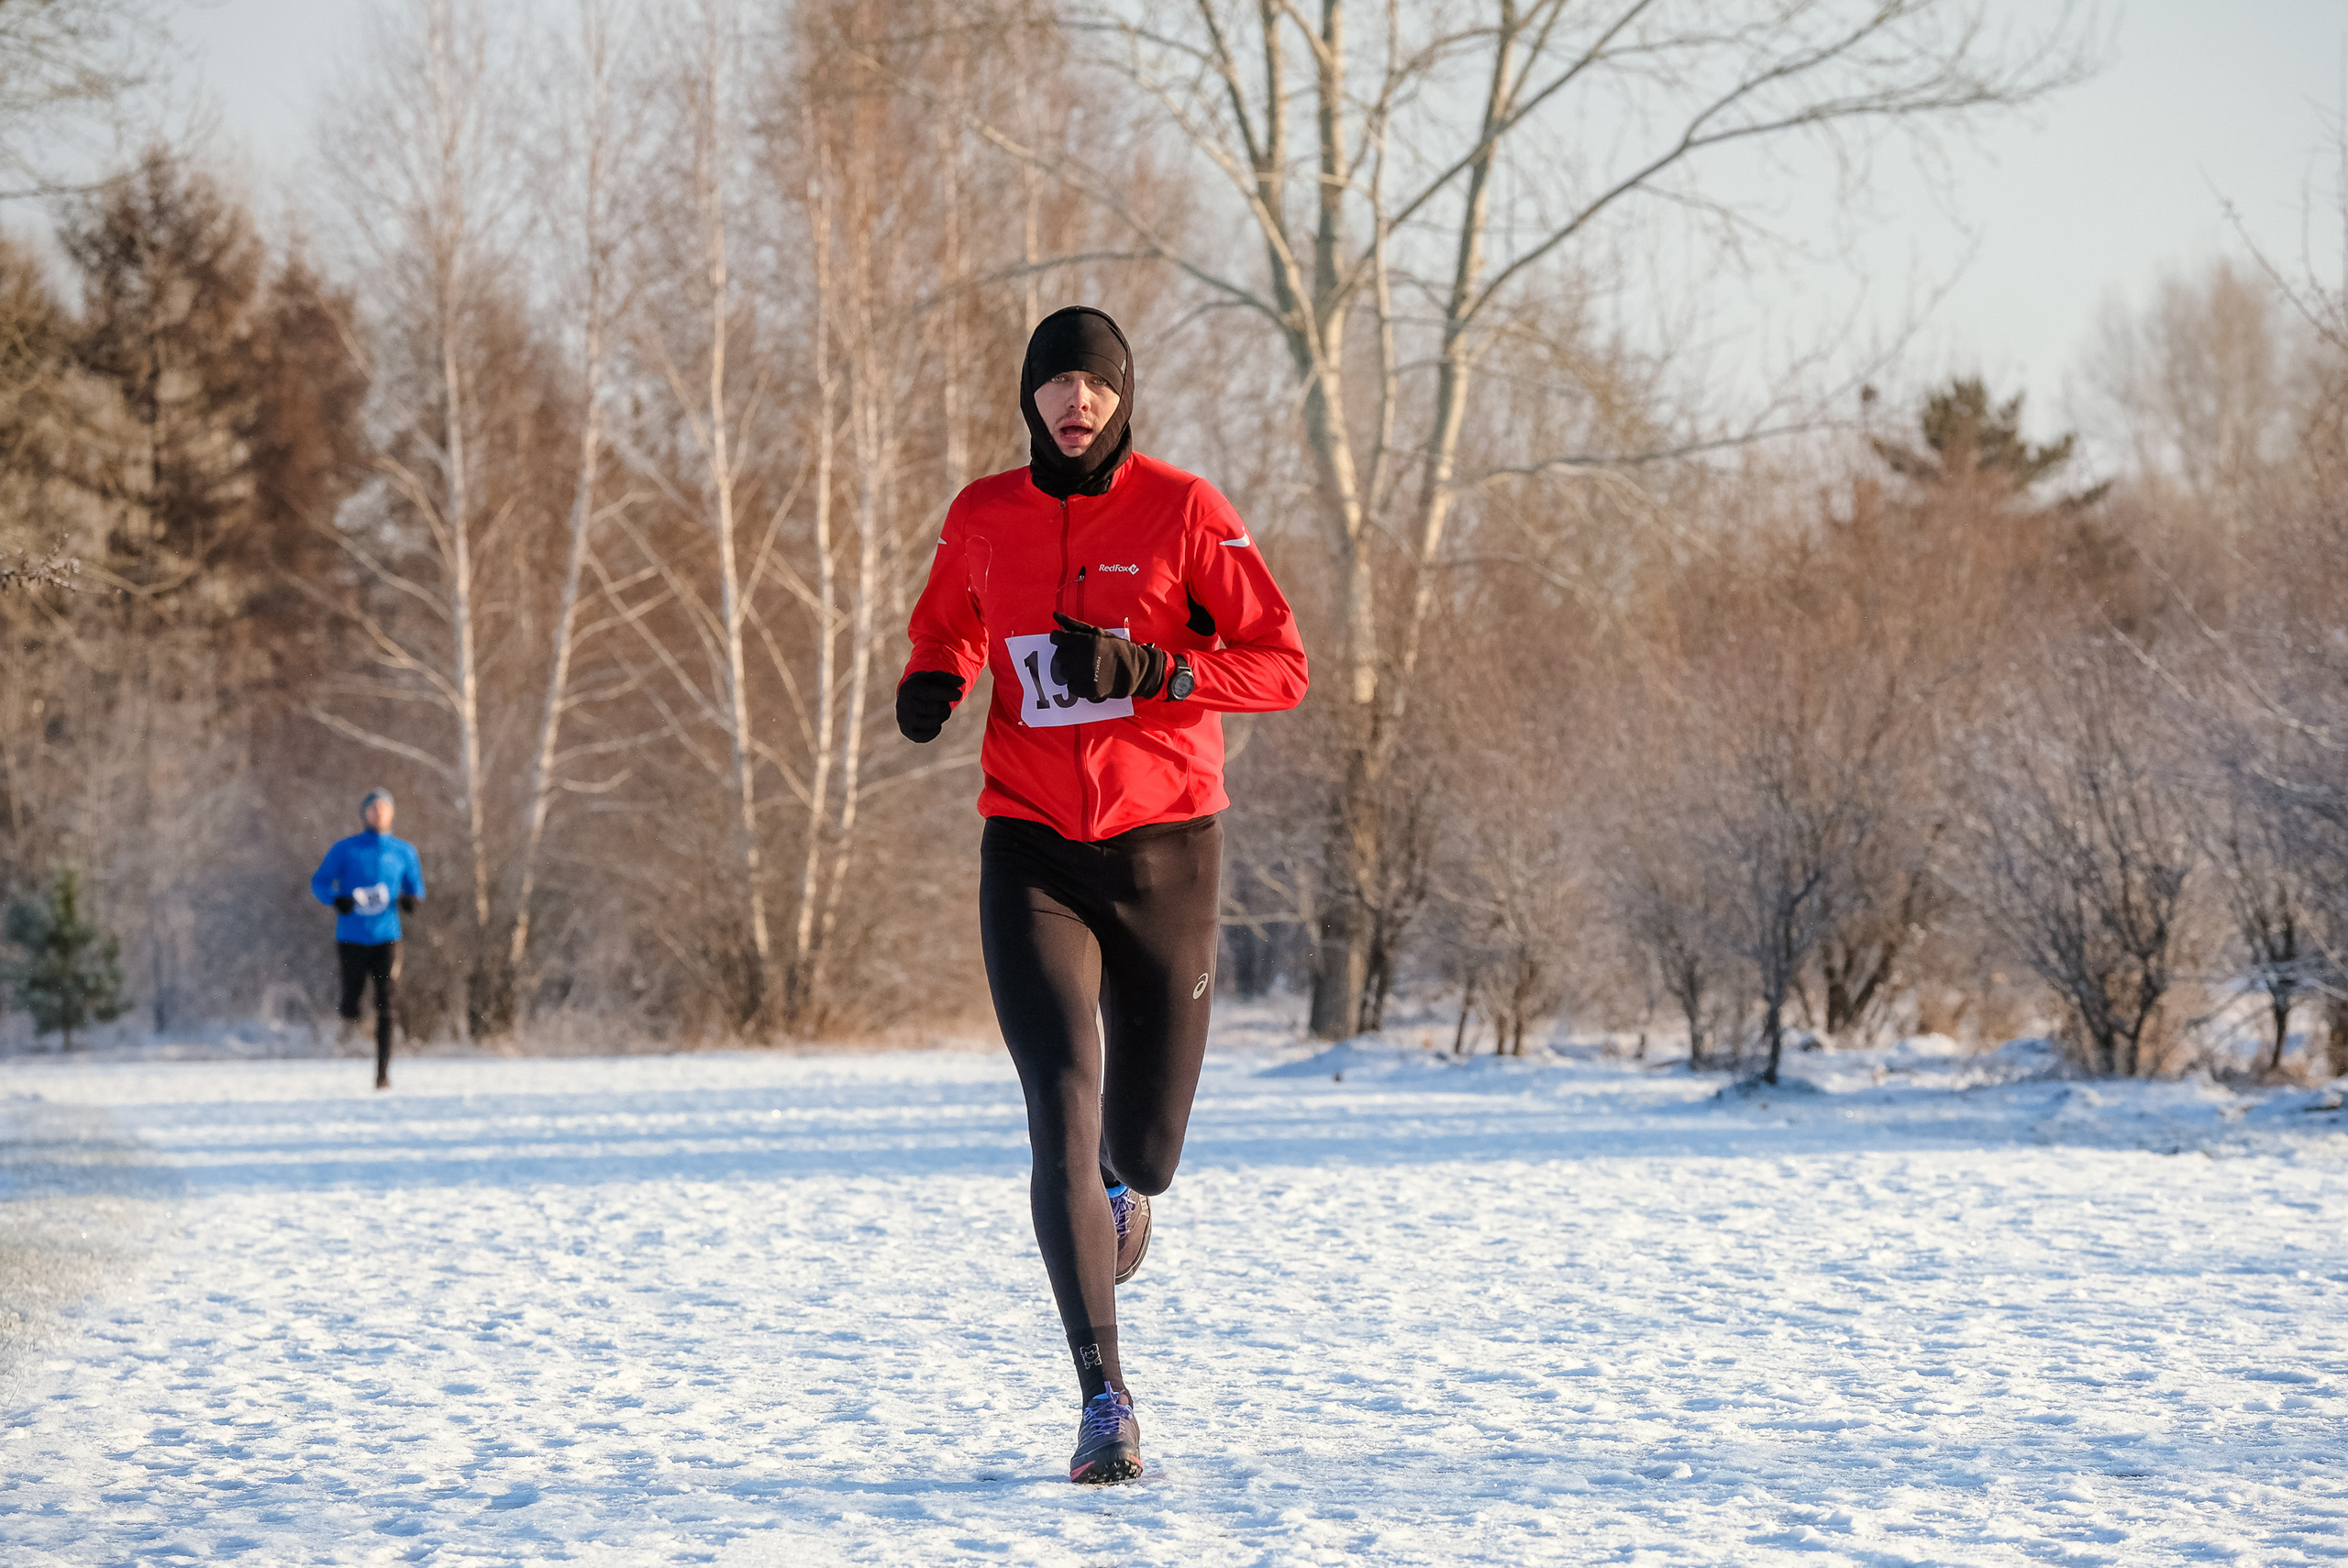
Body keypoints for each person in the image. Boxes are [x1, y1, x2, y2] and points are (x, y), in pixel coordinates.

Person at [898, 305, 1308, 1485]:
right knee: (1061, 1111)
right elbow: (951, 628)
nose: (1076, 403)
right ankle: (1103, 1398)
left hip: (1165, 852)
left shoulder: (1185, 510)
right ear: (1027, 398)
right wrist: (931, 679)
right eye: (1056, 384)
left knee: (1144, 1144)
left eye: (1096, 385)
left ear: (1123, 397)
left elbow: (1282, 664)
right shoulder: (983, 514)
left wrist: (1160, 668)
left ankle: (1129, 1189)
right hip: (1029, 846)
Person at [309, 790, 426, 1091]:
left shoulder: (404, 851)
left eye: (383, 808)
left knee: (387, 1000)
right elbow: (320, 881)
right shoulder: (346, 850)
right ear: (363, 814)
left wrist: (412, 900)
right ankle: (348, 1021)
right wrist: (337, 900)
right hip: (351, 936)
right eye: (372, 808)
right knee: (352, 997)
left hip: (387, 936)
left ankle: (382, 1073)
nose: (378, 813)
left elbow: (416, 887)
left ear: (392, 813)